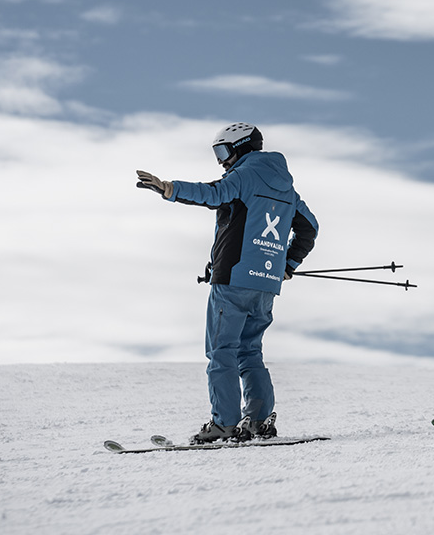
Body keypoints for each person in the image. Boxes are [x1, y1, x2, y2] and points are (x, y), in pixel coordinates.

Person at [135, 122, 318, 442]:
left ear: (242, 147)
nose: (221, 161)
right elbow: (309, 227)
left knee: (222, 352)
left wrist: (169, 188)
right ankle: (258, 421)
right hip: (264, 285)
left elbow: (215, 193)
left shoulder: (243, 175)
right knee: (250, 352)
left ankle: (225, 423)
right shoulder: (286, 187)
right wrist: (287, 263)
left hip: (233, 281)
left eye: (224, 151)